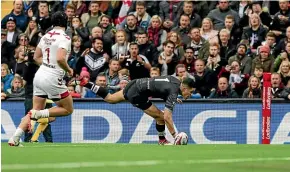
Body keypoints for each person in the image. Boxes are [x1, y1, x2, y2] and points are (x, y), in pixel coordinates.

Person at [8, 12, 73, 146]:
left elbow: (36, 57)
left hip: (40, 75)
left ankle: (15, 137)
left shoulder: (46, 36)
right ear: (65, 23)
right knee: (67, 109)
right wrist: (69, 70)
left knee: (35, 109)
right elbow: (61, 58)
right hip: (53, 77)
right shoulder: (65, 37)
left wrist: (47, 65)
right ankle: (37, 115)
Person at [78, 75, 196, 145]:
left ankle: (87, 84)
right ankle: (162, 140)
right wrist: (175, 135)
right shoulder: (173, 92)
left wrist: (172, 98)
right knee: (160, 116)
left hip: (135, 84)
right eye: (190, 92)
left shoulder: (175, 81)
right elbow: (167, 117)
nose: (190, 95)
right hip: (137, 94)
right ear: (184, 88)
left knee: (110, 98)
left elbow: (162, 87)